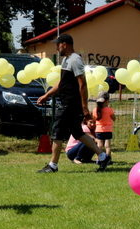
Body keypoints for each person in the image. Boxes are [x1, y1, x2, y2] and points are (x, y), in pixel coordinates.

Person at [36, 33, 111, 173]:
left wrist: (84, 107)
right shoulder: (66, 60)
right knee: (78, 133)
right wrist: (47, 95)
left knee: (57, 132)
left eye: (58, 45)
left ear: (64, 44)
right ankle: (102, 156)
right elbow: (61, 83)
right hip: (67, 102)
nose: (57, 48)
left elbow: (83, 84)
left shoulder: (75, 60)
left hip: (70, 104)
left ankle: (53, 165)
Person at [92, 91, 116, 157]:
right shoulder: (109, 109)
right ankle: (108, 159)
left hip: (99, 130)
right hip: (108, 130)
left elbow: (94, 119)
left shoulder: (95, 110)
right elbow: (114, 118)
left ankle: (99, 159)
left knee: (99, 145)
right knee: (107, 146)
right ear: (107, 101)